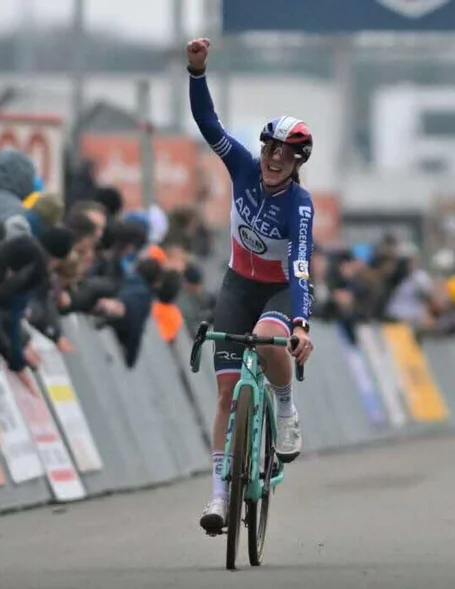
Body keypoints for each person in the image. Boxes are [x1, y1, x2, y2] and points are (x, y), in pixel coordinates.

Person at [187, 37, 316, 534]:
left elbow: (301, 264)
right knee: (224, 395)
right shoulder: (241, 166)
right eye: (269, 148)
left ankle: (284, 407)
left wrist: (300, 324)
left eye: (286, 153)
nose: (274, 158)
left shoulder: (299, 206)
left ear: (298, 161)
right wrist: (196, 72)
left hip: (282, 290)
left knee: (267, 336)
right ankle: (219, 496)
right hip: (238, 283)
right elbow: (208, 125)